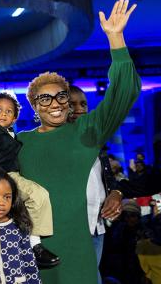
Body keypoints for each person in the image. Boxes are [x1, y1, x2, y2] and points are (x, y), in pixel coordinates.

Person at [17, 0, 141, 283]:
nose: (55, 103)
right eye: (44, 99)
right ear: (34, 107)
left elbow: (124, 92)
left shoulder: (87, 130)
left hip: (79, 245)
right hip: (32, 248)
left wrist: (116, 38)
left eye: (60, 95)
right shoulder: (20, 143)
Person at [0, 91, 59, 268]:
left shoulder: (14, 136)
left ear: (14, 118)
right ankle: (34, 246)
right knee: (37, 195)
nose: (4, 114)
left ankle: (25, 245)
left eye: (9, 112)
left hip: (9, 176)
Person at [68, 84, 126, 282]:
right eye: (72, 104)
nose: (79, 109)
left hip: (96, 226)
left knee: (92, 278)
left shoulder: (96, 142)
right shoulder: (53, 142)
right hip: (67, 228)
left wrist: (115, 194)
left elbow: (108, 179)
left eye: (83, 104)